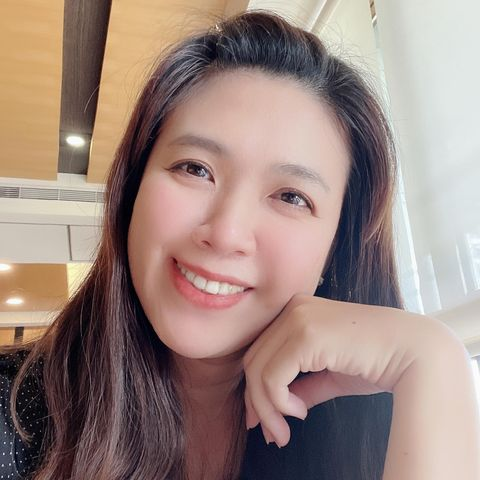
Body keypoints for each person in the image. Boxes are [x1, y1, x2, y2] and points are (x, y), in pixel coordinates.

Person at [1, 11, 479, 480]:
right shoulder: (14, 414)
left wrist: (434, 360)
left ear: (336, 248)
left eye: (291, 197)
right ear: (132, 190)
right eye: (195, 168)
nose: (226, 233)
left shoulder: (388, 421)